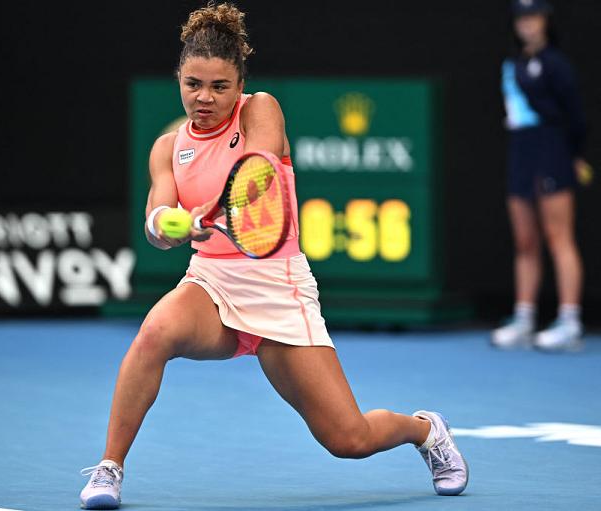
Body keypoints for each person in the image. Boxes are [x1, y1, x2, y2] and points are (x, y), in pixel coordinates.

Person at [79, 3, 468, 509]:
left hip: (278, 287)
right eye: (194, 84)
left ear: (240, 84)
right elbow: (156, 219)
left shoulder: (261, 109)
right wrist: (167, 225)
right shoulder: (166, 149)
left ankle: (425, 430)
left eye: (220, 86)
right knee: (154, 333)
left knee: (347, 439)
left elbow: (255, 171)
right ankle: (110, 468)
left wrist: (206, 211)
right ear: (179, 78)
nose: (205, 97)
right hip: (212, 284)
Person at [492, 0, 588, 352]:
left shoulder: (557, 65)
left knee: (558, 235)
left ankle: (569, 320)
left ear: (546, 20)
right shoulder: (511, 65)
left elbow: (577, 118)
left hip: (553, 153)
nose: (527, 25)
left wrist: (573, 155)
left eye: (533, 18)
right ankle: (524, 316)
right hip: (521, 154)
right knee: (525, 240)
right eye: (521, 19)